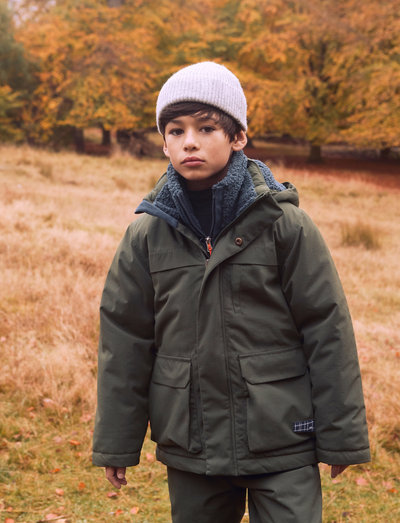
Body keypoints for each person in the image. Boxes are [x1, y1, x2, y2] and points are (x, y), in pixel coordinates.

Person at [93, 62, 370, 522]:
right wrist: (117, 442)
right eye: (177, 131)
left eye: (206, 128)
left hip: (282, 438)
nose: (190, 142)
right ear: (164, 143)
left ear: (238, 137)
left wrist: (341, 435)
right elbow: (125, 339)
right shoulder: (147, 235)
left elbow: (327, 326)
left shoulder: (285, 224)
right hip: (192, 444)